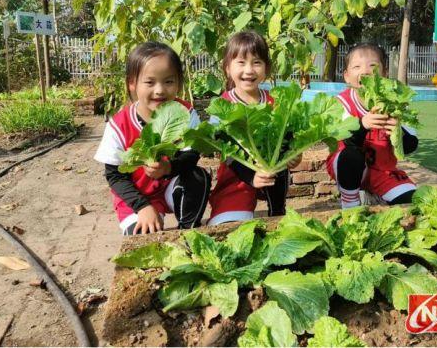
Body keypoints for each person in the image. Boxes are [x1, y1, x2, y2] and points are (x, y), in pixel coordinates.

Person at [94, 41, 210, 235]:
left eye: (168, 81)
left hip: (170, 186)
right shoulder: (119, 125)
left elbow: (192, 155)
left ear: (179, 82)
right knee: (142, 238)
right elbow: (114, 175)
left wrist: (168, 168)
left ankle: (188, 231)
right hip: (137, 195)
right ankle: (147, 215)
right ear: (132, 83)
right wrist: (143, 207)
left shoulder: (185, 112)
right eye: (150, 82)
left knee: (198, 178)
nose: (159, 90)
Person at [207, 31, 301, 225]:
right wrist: (251, 176)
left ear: (266, 68)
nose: (249, 70)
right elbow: (227, 152)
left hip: (272, 174)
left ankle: (277, 210)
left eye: (256, 62)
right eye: (241, 63)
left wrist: (294, 154)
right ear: (227, 68)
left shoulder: (277, 102)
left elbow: (289, 137)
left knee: (279, 164)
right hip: (236, 178)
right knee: (231, 225)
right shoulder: (222, 106)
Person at [327, 43, 418, 208]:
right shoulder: (340, 104)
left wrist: (399, 133)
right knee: (351, 156)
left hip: (383, 171)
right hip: (347, 167)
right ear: (347, 76)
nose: (365, 71)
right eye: (357, 66)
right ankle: (350, 202)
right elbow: (345, 141)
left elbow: (411, 145)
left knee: (413, 202)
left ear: (384, 73)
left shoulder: (396, 103)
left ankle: (375, 194)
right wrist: (363, 124)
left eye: (373, 66)